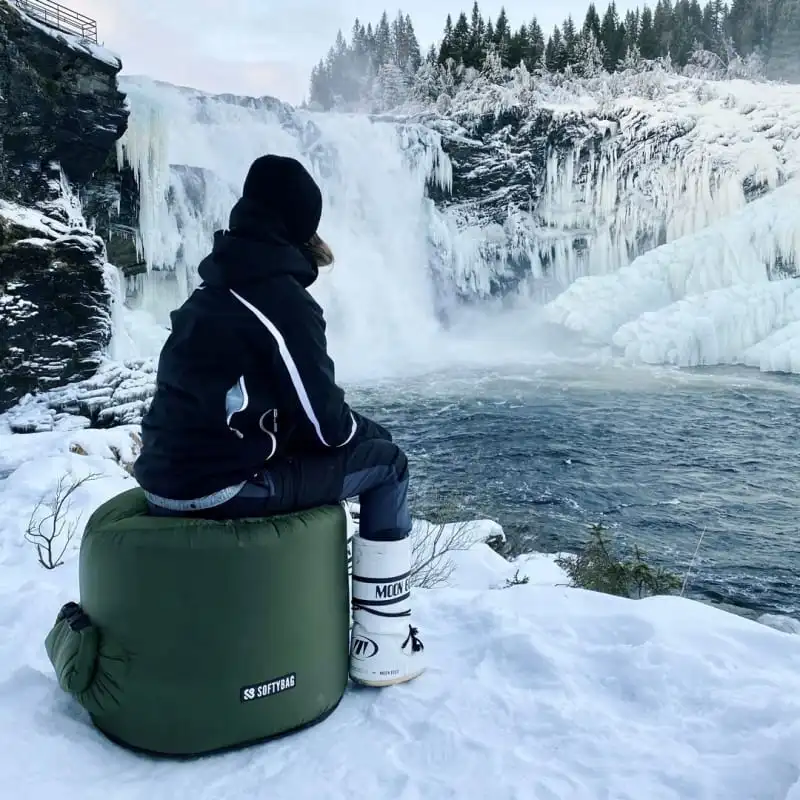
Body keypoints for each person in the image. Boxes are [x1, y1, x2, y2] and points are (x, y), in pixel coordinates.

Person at [133, 154, 424, 688]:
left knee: (363, 446)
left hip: (162, 480)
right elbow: (329, 429)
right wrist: (371, 434)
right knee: (388, 464)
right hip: (222, 489)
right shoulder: (280, 300)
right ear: (300, 225)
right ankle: (383, 644)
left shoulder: (214, 288)